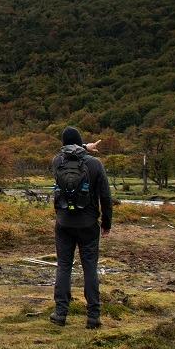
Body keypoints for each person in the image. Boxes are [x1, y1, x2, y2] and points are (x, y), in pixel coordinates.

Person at [49, 127, 113, 329]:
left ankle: (60, 313)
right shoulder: (94, 164)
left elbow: (67, 152)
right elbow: (106, 197)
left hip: (64, 222)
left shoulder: (56, 161)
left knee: (64, 266)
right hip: (88, 224)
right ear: (80, 142)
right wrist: (106, 223)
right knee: (90, 268)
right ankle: (93, 316)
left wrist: (84, 146)